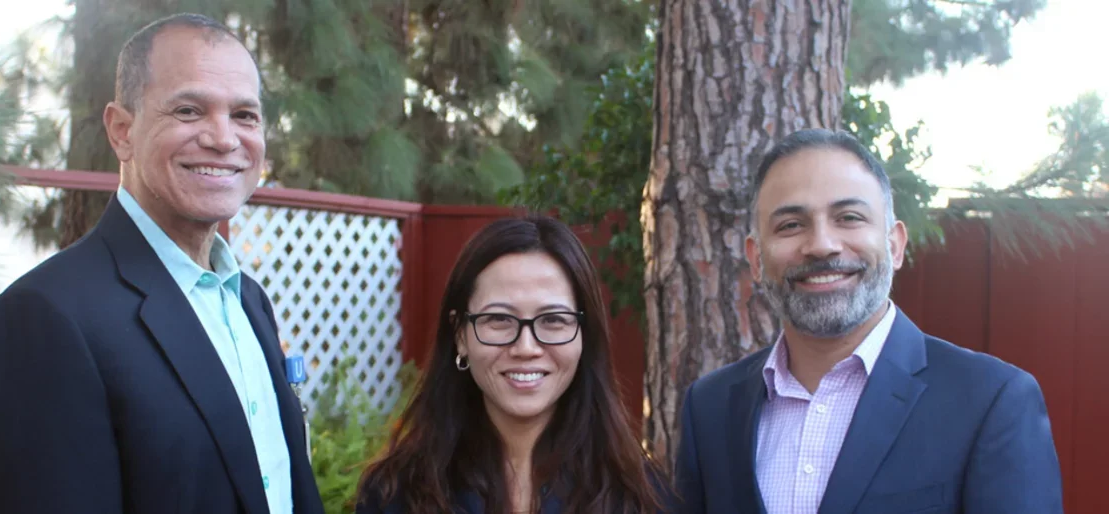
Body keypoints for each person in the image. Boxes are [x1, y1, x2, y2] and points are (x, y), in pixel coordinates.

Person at [0, 13, 325, 514]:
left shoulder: (247, 299)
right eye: (188, 110)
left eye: (245, 115)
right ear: (121, 131)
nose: (224, 138)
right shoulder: (45, 317)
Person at [670, 128, 1064, 514]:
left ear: (894, 245)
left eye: (849, 217)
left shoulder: (991, 401)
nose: (822, 244)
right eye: (791, 225)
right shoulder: (709, 408)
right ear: (756, 258)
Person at [355, 216, 669, 514]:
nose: (526, 348)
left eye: (553, 320)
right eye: (499, 319)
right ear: (460, 335)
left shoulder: (641, 497)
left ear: (584, 336)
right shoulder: (394, 495)